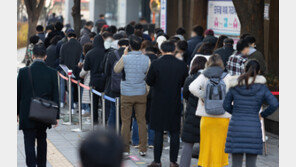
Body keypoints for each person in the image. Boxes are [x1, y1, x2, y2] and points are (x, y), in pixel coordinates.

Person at [223, 60, 279, 167]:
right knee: (251, 164)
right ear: (258, 71)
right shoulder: (262, 88)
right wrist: (262, 115)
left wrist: (235, 112)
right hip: (253, 127)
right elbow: (274, 104)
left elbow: (225, 105)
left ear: (244, 69)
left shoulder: (235, 85)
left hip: (236, 127)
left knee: (236, 164)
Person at [146, 41, 188, 167]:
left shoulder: (156, 63)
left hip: (158, 100)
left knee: (158, 132)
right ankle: (173, 161)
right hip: (174, 100)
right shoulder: (181, 65)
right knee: (174, 131)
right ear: (174, 49)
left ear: (161, 50)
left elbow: (149, 81)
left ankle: (157, 161)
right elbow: (183, 83)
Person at [17, 44, 59, 167]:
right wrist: (56, 116)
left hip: (27, 112)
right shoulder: (52, 72)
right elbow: (55, 95)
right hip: (44, 113)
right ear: (45, 56)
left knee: (28, 141)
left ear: (32, 55)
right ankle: (41, 165)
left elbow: (18, 93)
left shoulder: (24, 72)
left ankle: (31, 165)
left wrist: (17, 112)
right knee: (42, 139)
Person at [189, 54, 231, 167]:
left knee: (206, 145)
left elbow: (192, 87)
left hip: (207, 116)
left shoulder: (204, 75)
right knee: (220, 145)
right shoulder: (227, 76)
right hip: (223, 118)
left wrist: (204, 97)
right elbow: (233, 94)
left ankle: (204, 164)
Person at [114, 35, 149, 157]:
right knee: (141, 121)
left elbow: (116, 69)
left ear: (129, 46)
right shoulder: (146, 59)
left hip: (127, 93)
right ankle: (143, 148)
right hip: (141, 92)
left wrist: (124, 55)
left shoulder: (126, 58)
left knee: (126, 121)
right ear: (140, 46)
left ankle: (125, 150)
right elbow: (148, 76)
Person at [180, 56, 207, 167]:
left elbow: (185, 94)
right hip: (205, 115)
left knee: (187, 144)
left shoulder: (190, 78)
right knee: (204, 144)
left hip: (191, 114)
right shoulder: (208, 78)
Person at [105, 38, 129, 128]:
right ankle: (124, 134)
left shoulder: (111, 54)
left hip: (114, 86)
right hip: (127, 86)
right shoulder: (130, 54)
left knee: (113, 109)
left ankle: (111, 134)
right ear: (128, 46)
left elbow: (106, 71)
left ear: (118, 45)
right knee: (126, 112)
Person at [83, 34, 106, 123]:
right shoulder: (106, 52)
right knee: (105, 101)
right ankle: (105, 119)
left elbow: (86, 68)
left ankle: (95, 120)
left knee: (94, 102)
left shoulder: (90, 53)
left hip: (94, 80)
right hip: (104, 80)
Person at [60, 32, 82, 113]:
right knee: (79, 87)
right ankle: (80, 105)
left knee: (70, 88)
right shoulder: (80, 45)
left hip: (68, 70)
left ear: (68, 37)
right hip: (78, 69)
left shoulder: (64, 46)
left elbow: (61, 59)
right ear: (75, 37)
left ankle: (72, 107)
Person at [79, 43, 93, 116]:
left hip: (87, 81)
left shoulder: (87, 59)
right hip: (94, 81)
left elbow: (82, 73)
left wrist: (81, 68)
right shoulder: (95, 56)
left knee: (88, 99)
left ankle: (88, 112)